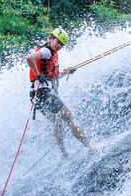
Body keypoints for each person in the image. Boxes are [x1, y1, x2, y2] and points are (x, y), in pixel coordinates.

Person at [26, 27, 95, 158]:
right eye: (57, 41)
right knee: (69, 118)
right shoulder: (46, 51)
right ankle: (90, 148)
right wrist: (38, 74)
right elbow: (29, 58)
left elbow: (51, 78)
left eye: (62, 45)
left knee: (57, 121)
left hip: (36, 97)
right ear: (51, 38)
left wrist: (66, 72)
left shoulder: (50, 53)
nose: (59, 45)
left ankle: (64, 153)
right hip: (43, 94)